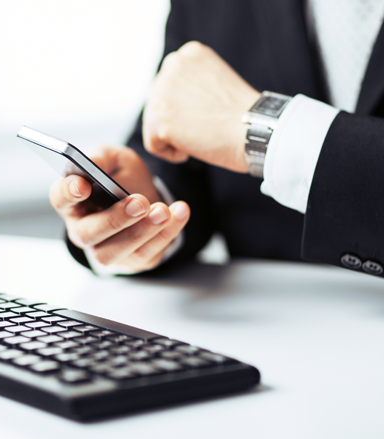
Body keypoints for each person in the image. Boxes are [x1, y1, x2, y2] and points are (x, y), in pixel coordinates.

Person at [49, 0, 384, 279]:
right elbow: (177, 136)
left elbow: (230, 122)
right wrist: (144, 208)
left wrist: (267, 130)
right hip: (256, 331)